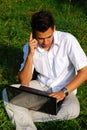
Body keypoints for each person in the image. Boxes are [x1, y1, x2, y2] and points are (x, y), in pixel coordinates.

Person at [2, 10, 87, 130]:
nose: (45, 42)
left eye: (49, 36)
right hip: (41, 87)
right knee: (7, 93)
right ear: (33, 34)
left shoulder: (68, 40)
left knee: (73, 110)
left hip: (66, 90)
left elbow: (85, 71)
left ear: (54, 29)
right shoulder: (29, 47)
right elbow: (24, 82)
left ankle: (24, 114)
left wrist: (63, 92)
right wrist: (31, 54)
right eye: (41, 38)